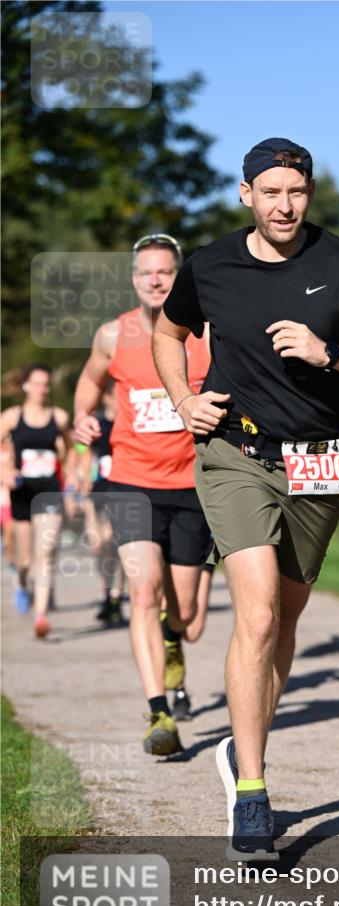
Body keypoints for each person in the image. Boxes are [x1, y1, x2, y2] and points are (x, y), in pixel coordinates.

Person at [153, 137, 339, 860]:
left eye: (294, 192)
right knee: (258, 610)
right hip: (235, 452)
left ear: (309, 194)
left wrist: (331, 353)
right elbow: (167, 331)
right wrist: (182, 399)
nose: (283, 204)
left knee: (285, 623)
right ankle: (254, 791)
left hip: (320, 461)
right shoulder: (209, 266)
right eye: (269, 191)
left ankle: (246, 744)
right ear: (245, 195)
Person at [73, 233, 211, 748]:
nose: (156, 281)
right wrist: (81, 419)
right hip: (131, 481)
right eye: (146, 273)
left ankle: (173, 639)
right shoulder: (114, 335)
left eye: (166, 273)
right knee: (143, 589)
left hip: (195, 484)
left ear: (180, 277)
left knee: (189, 618)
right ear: (134, 280)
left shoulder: (207, 333)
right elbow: (89, 383)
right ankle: (159, 713)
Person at [0, 364, 72, 638]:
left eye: (46, 384)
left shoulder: (60, 417)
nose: (43, 389)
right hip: (22, 492)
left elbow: (75, 448)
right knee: (26, 561)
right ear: (26, 386)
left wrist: (73, 470)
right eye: (38, 383)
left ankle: (40, 615)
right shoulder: (12, 416)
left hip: (50, 491)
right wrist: (5, 470)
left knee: (46, 552)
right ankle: (21, 583)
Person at [77, 381, 125, 627]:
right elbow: (83, 451)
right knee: (101, 547)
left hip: (123, 490)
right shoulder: (99, 423)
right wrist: (83, 477)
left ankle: (116, 596)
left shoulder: (128, 421)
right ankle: (107, 593)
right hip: (99, 492)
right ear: (106, 398)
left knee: (116, 543)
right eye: (113, 396)